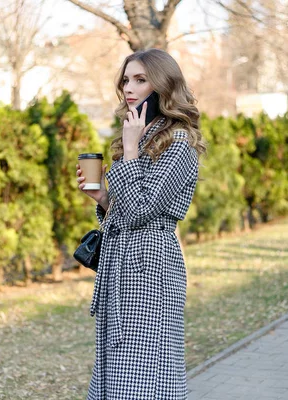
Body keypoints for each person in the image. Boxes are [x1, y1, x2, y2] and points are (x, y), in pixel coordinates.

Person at [76, 48, 206, 399]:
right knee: (119, 375)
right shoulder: (140, 135)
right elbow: (126, 209)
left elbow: (140, 212)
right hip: (121, 267)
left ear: (162, 86)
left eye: (140, 79)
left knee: (145, 379)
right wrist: (102, 198)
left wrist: (130, 151)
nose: (128, 87)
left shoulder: (178, 143)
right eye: (126, 79)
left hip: (151, 268)